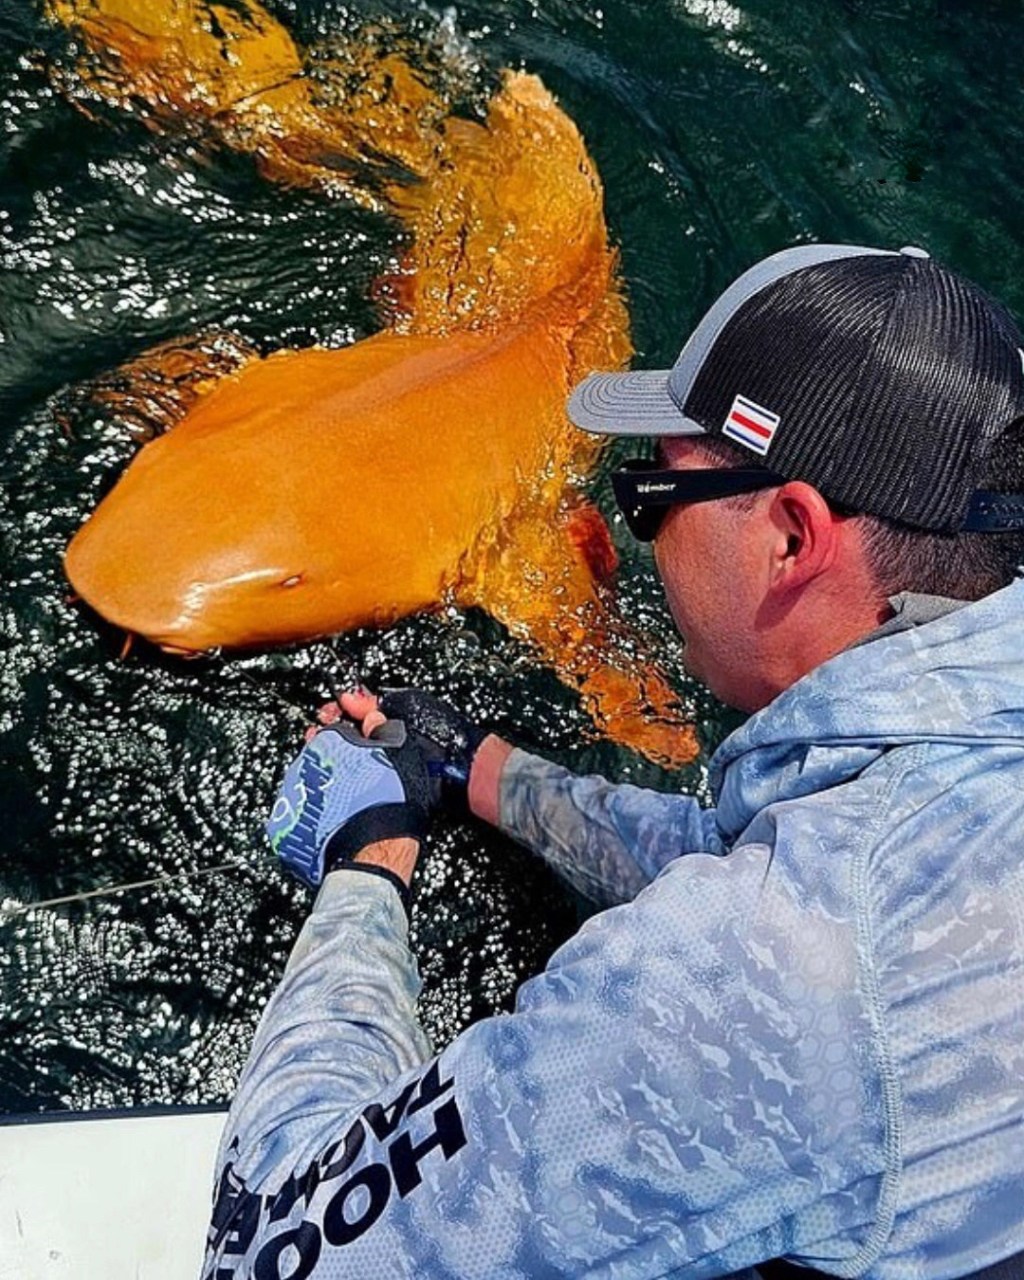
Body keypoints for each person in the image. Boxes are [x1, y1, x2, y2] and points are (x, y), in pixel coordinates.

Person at [202, 244, 1024, 1280]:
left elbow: (280, 1239)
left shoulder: (767, 971)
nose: (640, 537)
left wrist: (367, 863)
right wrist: (476, 765)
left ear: (790, 534)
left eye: (650, 493)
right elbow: (756, 848)